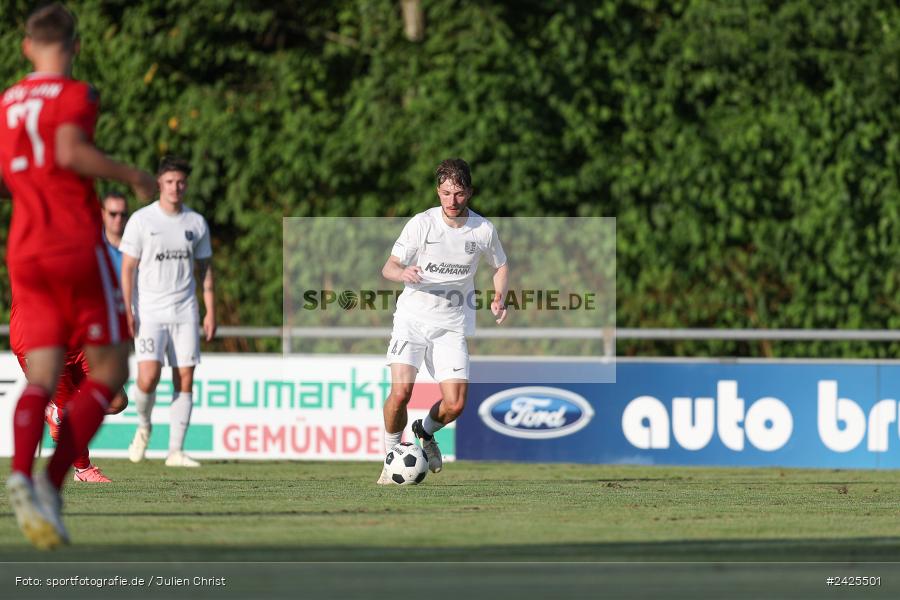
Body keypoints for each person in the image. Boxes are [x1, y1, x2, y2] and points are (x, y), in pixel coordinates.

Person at [0, 2, 156, 549]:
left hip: (24, 248)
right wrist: (130, 173)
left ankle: (21, 473)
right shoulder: (75, 93)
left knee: (40, 378)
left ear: (25, 47)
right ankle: (48, 483)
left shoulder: (9, 101)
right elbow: (69, 149)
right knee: (111, 372)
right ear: (75, 45)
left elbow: (7, 178)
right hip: (72, 242)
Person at [378, 158, 508, 484]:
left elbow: (500, 266)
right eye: (446, 193)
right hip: (411, 320)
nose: (452, 201)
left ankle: (425, 430)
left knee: (456, 404)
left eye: (459, 194)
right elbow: (389, 267)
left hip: (451, 325)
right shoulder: (422, 224)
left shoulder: (483, 230)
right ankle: (391, 457)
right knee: (400, 394)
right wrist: (402, 272)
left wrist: (499, 297)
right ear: (438, 191)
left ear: (470, 193)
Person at [121, 155, 216, 468]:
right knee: (148, 378)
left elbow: (205, 270)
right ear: (160, 184)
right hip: (149, 311)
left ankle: (175, 450)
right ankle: (144, 426)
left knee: (185, 376)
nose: (176, 187)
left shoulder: (195, 222)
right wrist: (128, 308)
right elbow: (128, 268)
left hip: (185, 310)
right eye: (170, 182)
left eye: (181, 182)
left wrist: (210, 310)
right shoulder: (141, 220)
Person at [101, 190, 128, 278]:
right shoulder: (93, 247)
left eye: (123, 214)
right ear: (103, 214)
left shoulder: (138, 245)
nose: (118, 219)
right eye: (113, 214)